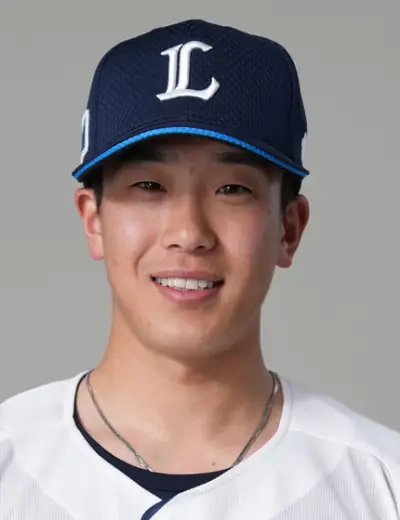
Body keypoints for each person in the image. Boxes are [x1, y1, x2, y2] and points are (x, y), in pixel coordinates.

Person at [0, 18, 399, 520]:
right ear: (93, 219)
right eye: (149, 186)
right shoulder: (11, 460)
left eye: (232, 189)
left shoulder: (383, 482)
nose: (189, 233)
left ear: (289, 228)